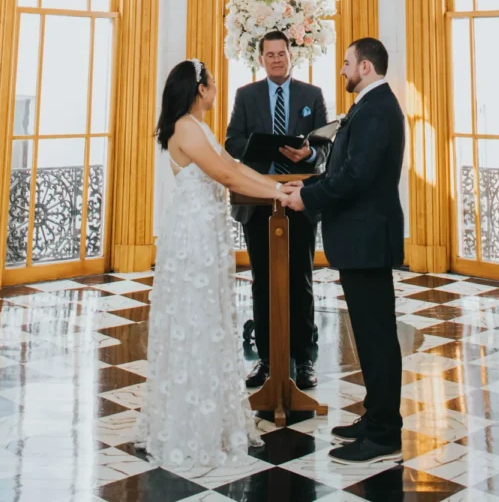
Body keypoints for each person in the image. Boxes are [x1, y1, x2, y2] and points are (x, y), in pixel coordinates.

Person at [141, 58, 286, 474]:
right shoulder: (186, 128)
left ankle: (211, 418)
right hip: (192, 236)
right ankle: (191, 427)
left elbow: (237, 168)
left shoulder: (197, 126)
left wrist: (279, 188)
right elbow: (226, 175)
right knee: (195, 317)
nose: (217, 89)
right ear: (198, 89)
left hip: (207, 231)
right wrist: (281, 193)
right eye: (213, 84)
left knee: (211, 317)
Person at [284, 37, 404, 464]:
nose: (342, 70)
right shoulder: (370, 105)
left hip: (368, 239)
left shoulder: (377, 109)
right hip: (361, 238)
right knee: (370, 337)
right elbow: (344, 168)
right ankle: (375, 418)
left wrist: (307, 198)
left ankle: (385, 433)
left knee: (377, 338)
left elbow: (356, 177)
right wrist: (309, 184)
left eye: (347, 63)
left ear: (366, 67)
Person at [225, 30, 326, 391]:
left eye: (281, 54)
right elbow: (231, 140)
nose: (276, 60)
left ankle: (304, 359)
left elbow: (324, 148)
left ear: (290, 56)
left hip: (300, 200)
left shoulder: (311, 95)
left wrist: (308, 155)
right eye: (269, 55)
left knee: (300, 279)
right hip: (257, 202)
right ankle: (266, 360)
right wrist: (264, 149)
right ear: (261, 59)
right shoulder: (245, 96)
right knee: (263, 281)